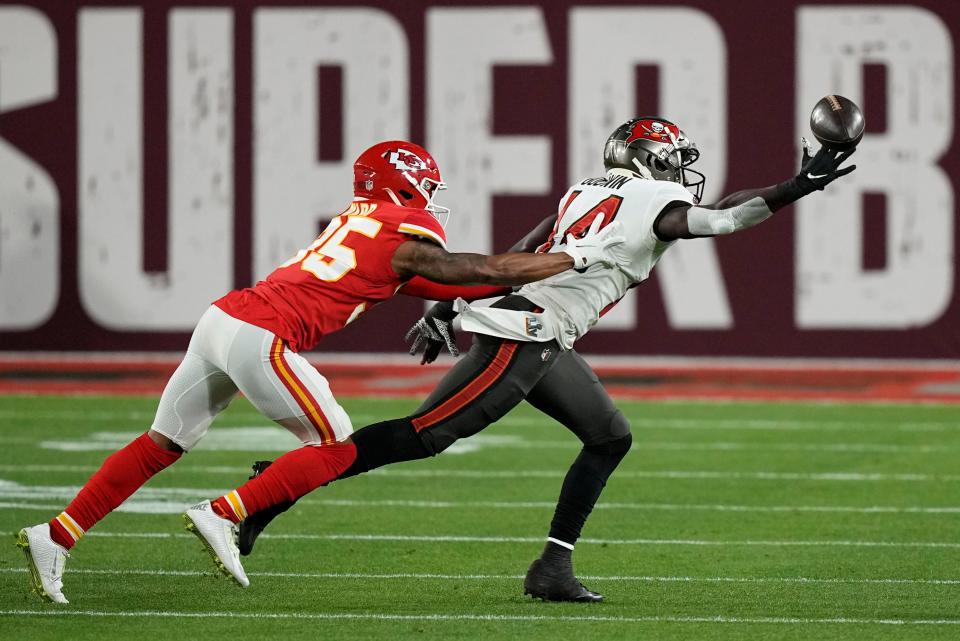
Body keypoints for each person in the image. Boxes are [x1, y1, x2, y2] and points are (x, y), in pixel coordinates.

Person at [235, 118, 857, 602]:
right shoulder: (652, 200)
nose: (683, 171)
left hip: (538, 331)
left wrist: (449, 309)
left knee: (609, 436)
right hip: (524, 332)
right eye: (675, 159)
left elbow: (526, 248)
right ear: (651, 158)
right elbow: (721, 219)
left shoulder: (587, 187)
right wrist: (797, 185)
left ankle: (552, 568)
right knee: (423, 437)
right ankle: (272, 491)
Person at [15, 140, 626, 604]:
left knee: (161, 444)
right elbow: (480, 266)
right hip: (264, 336)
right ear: (407, 184)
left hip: (222, 320)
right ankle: (226, 512)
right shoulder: (404, 229)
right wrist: (573, 256)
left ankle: (58, 534)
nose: (433, 196)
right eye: (427, 185)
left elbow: (445, 278)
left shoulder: (364, 225)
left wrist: (452, 308)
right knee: (335, 446)